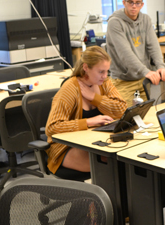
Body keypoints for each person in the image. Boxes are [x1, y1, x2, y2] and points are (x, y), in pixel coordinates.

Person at [45, 46, 127, 174]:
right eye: (101, 72)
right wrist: (88, 122)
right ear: (86, 68)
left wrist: (95, 98)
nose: (105, 76)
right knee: (113, 162)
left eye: (107, 71)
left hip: (93, 141)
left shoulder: (104, 83)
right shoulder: (70, 88)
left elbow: (122, 110)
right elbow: (52, 127)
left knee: (124, 155)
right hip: (67, 148)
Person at [106, 0, 165, 106]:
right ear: (124, 2)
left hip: (144, 78)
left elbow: (153, 46)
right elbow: (125, 53)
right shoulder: (115, 22)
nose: (134, 6)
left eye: (137, 3)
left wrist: (160, 66)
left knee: (150, 114)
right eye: (130, 2)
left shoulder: (145, 19)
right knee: (126, 117)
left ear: (142, 4)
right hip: (123, 81)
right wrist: (145, 71)